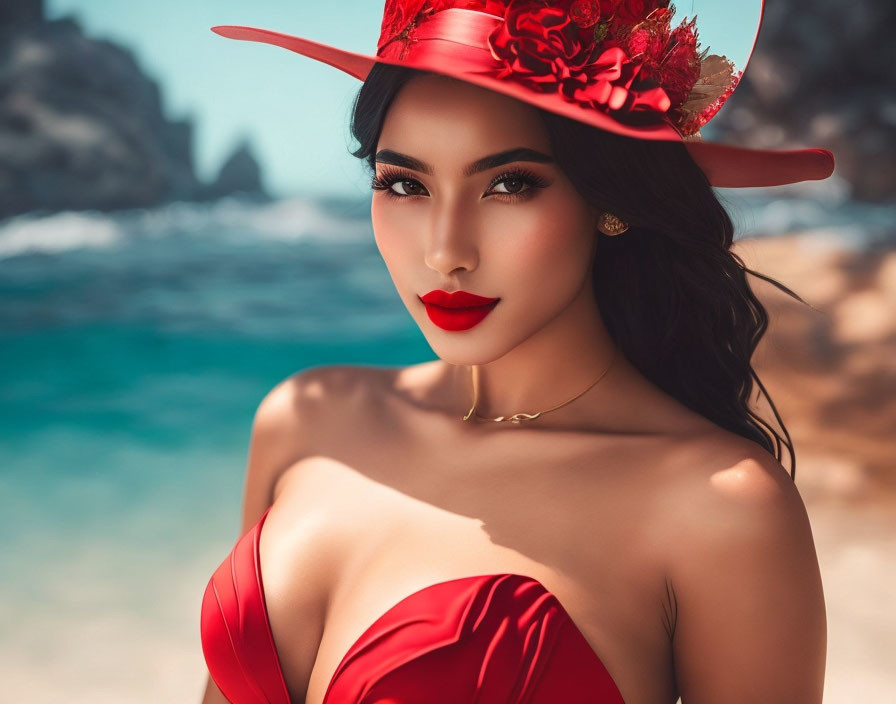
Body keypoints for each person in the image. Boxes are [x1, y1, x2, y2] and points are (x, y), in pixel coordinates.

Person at [200, 2, 831, 702]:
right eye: (404, 184)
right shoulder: (304, 422)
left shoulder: (721, 507)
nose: (446, 252)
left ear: (606, 199)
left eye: (509, 185)